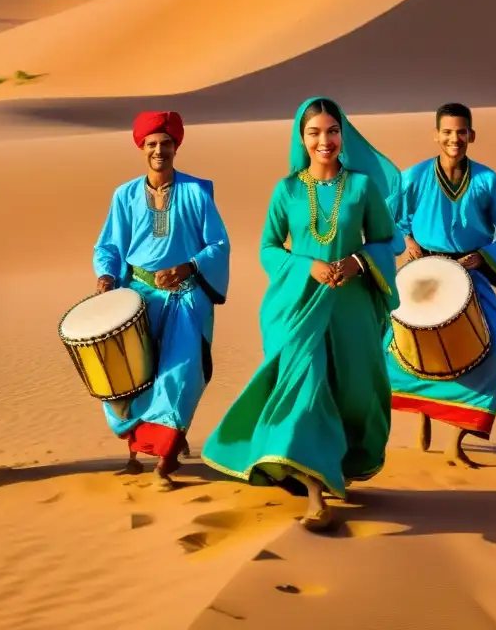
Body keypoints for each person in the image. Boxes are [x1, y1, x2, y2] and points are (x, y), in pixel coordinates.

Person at [201, 96, 401, 532]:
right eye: (314, 133)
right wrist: (305, 264)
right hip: (296, 307)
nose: (324, 141)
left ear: (342, 135)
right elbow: (268, 248)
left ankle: (331, 467)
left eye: (331, 131)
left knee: (352, 393)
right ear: (301, 138)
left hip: (351, 309)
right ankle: (314, 495)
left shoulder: (364, 187)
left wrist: (359, 261)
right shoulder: (287, 190)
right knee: (306, 390)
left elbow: (390, 242)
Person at [93, 110, 230, 490]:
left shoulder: (196, 193)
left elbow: (218, 244)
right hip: (137, 295)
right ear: (141, 148)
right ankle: (137, 451)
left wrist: (188, 268)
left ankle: (164, 462)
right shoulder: (124, 195)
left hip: (185, 297)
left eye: (166, 143)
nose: (159, 150)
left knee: (179, 375)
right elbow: (109, 245)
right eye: (151, 144)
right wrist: (106, 274)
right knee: (130, 375)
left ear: (176, 146)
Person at [388, 102, 496, 464]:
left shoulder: (487, 181)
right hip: (424, 272)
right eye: (447, 132)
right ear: (436, 135)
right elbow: (390, 217)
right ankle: (423, 412)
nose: (455, 139)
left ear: (472, 135)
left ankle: (456, 440)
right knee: (393, 350)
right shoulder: (413, 177)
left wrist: (484, 256)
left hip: (470, 275)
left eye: (461, 132)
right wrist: (407, 240)